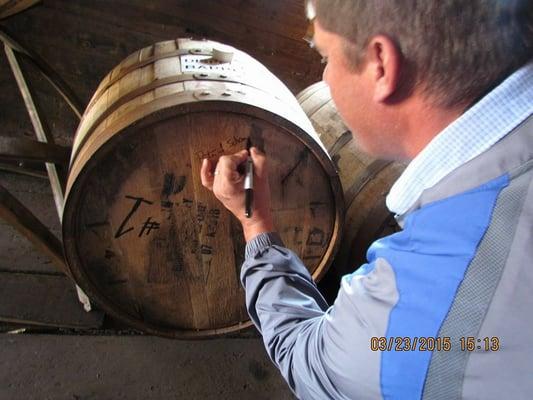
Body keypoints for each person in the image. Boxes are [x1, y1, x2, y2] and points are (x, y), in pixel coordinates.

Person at [200, 0, 533, 398]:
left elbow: (306, 355)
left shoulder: (404, 326)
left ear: (380, 65)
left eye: (324, 56)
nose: (325, 74)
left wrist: (255, 223)